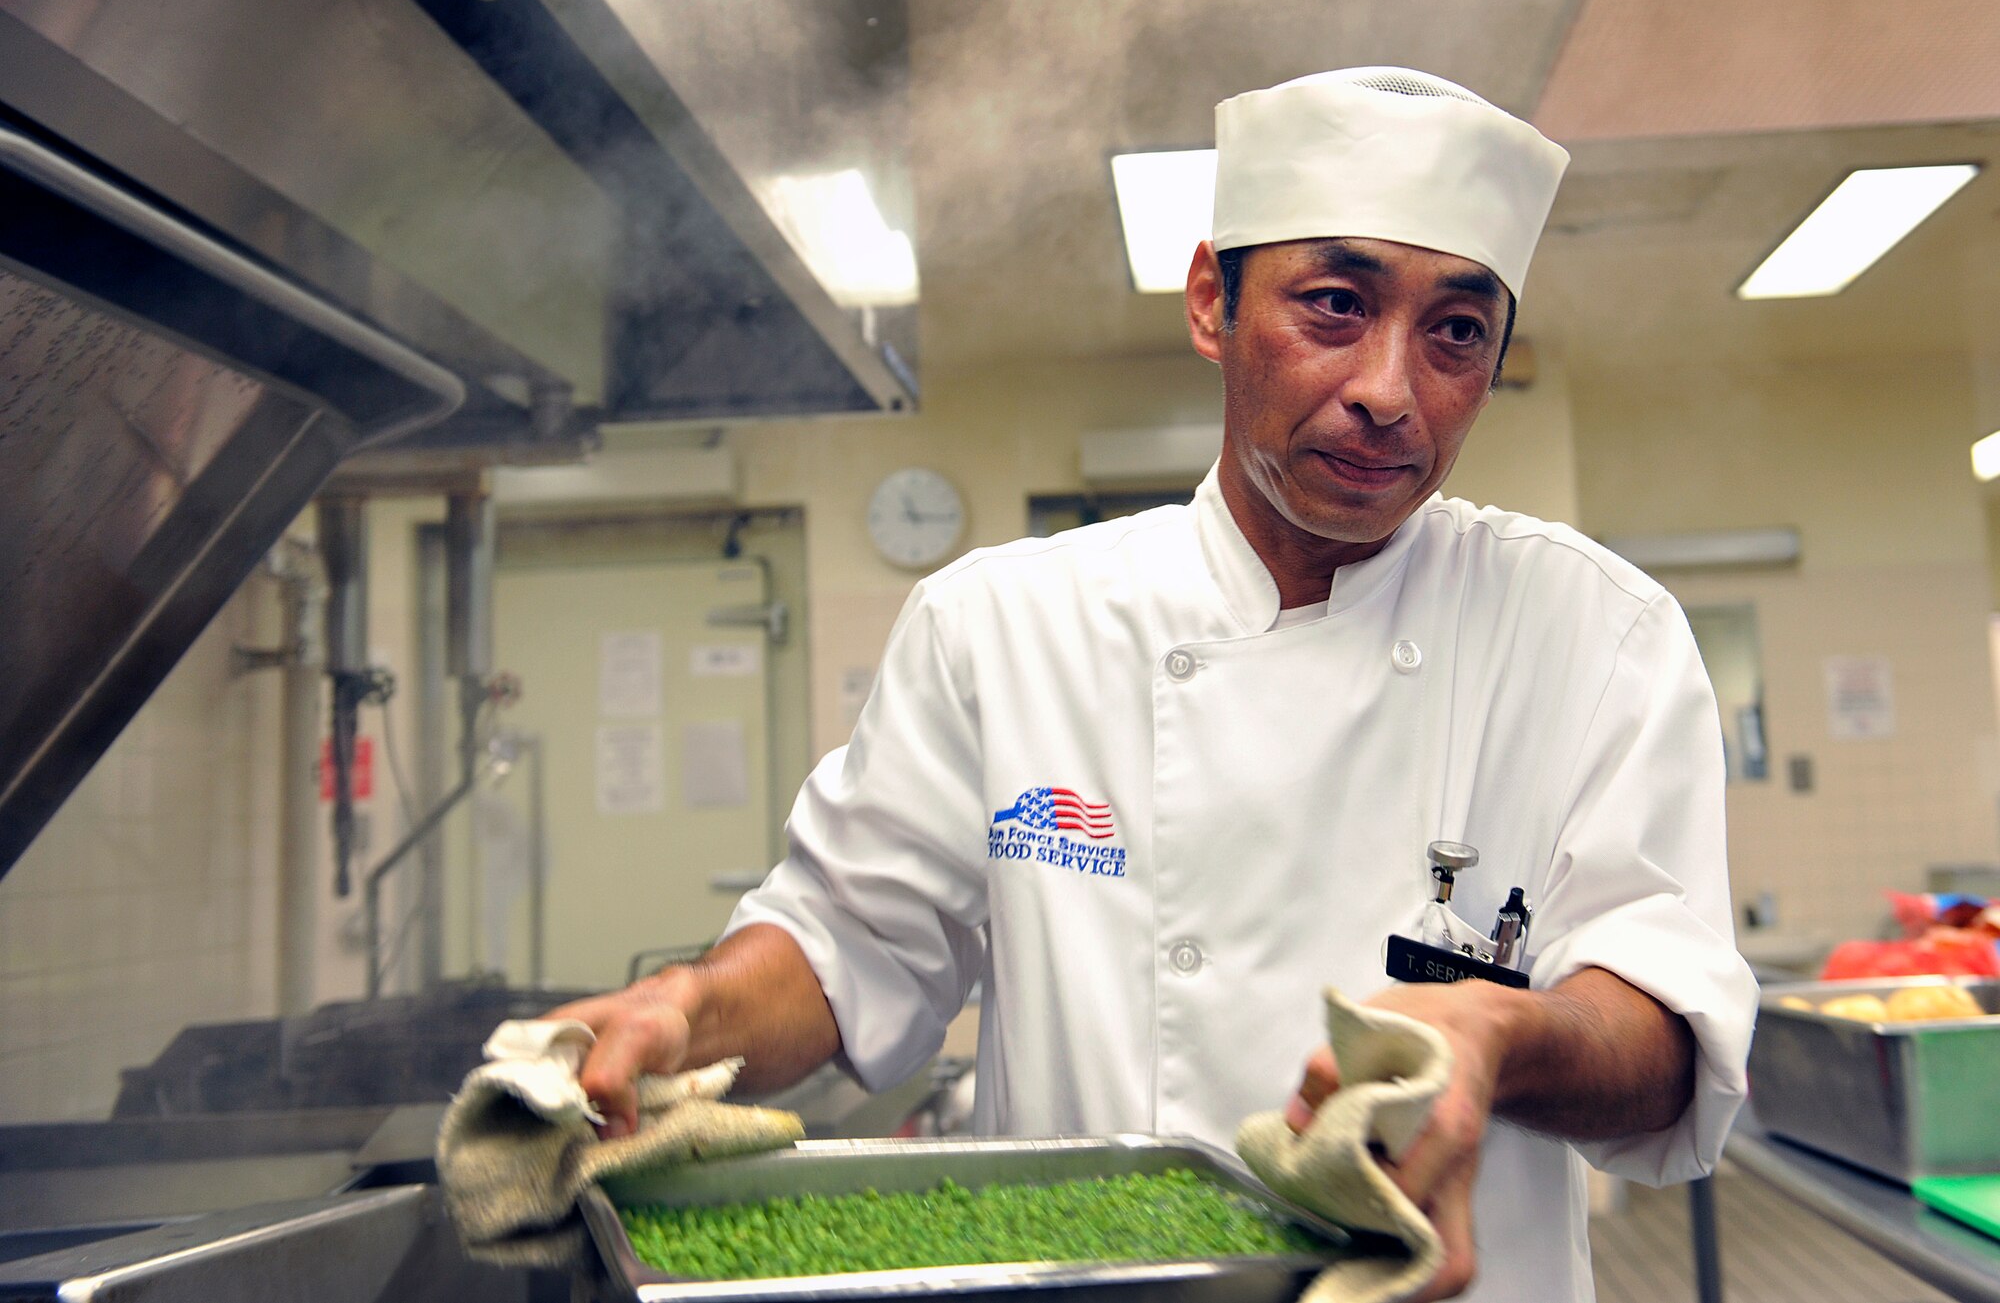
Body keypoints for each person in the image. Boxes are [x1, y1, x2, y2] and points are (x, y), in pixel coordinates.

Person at [549, 67, 1758, 1302]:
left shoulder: (1593, 632)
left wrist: (1501, 1033)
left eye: (1455, 331)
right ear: (1208, 303)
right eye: (1333, 304)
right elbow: (843, 943)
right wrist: (688, 1011)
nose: (1390, 390)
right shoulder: (1001, 624)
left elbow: (1663, 1035)